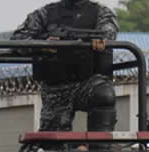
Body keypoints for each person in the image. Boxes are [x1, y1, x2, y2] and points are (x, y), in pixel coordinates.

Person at [11, 0, 119, 135]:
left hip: (86, 83)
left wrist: (100, 39)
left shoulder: (100, 13)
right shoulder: (45, 14)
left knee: (104, 94)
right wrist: (44, 44)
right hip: (54, 90)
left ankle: (100, 147)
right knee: (53, 147)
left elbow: (109, 32)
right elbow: (17, 40)